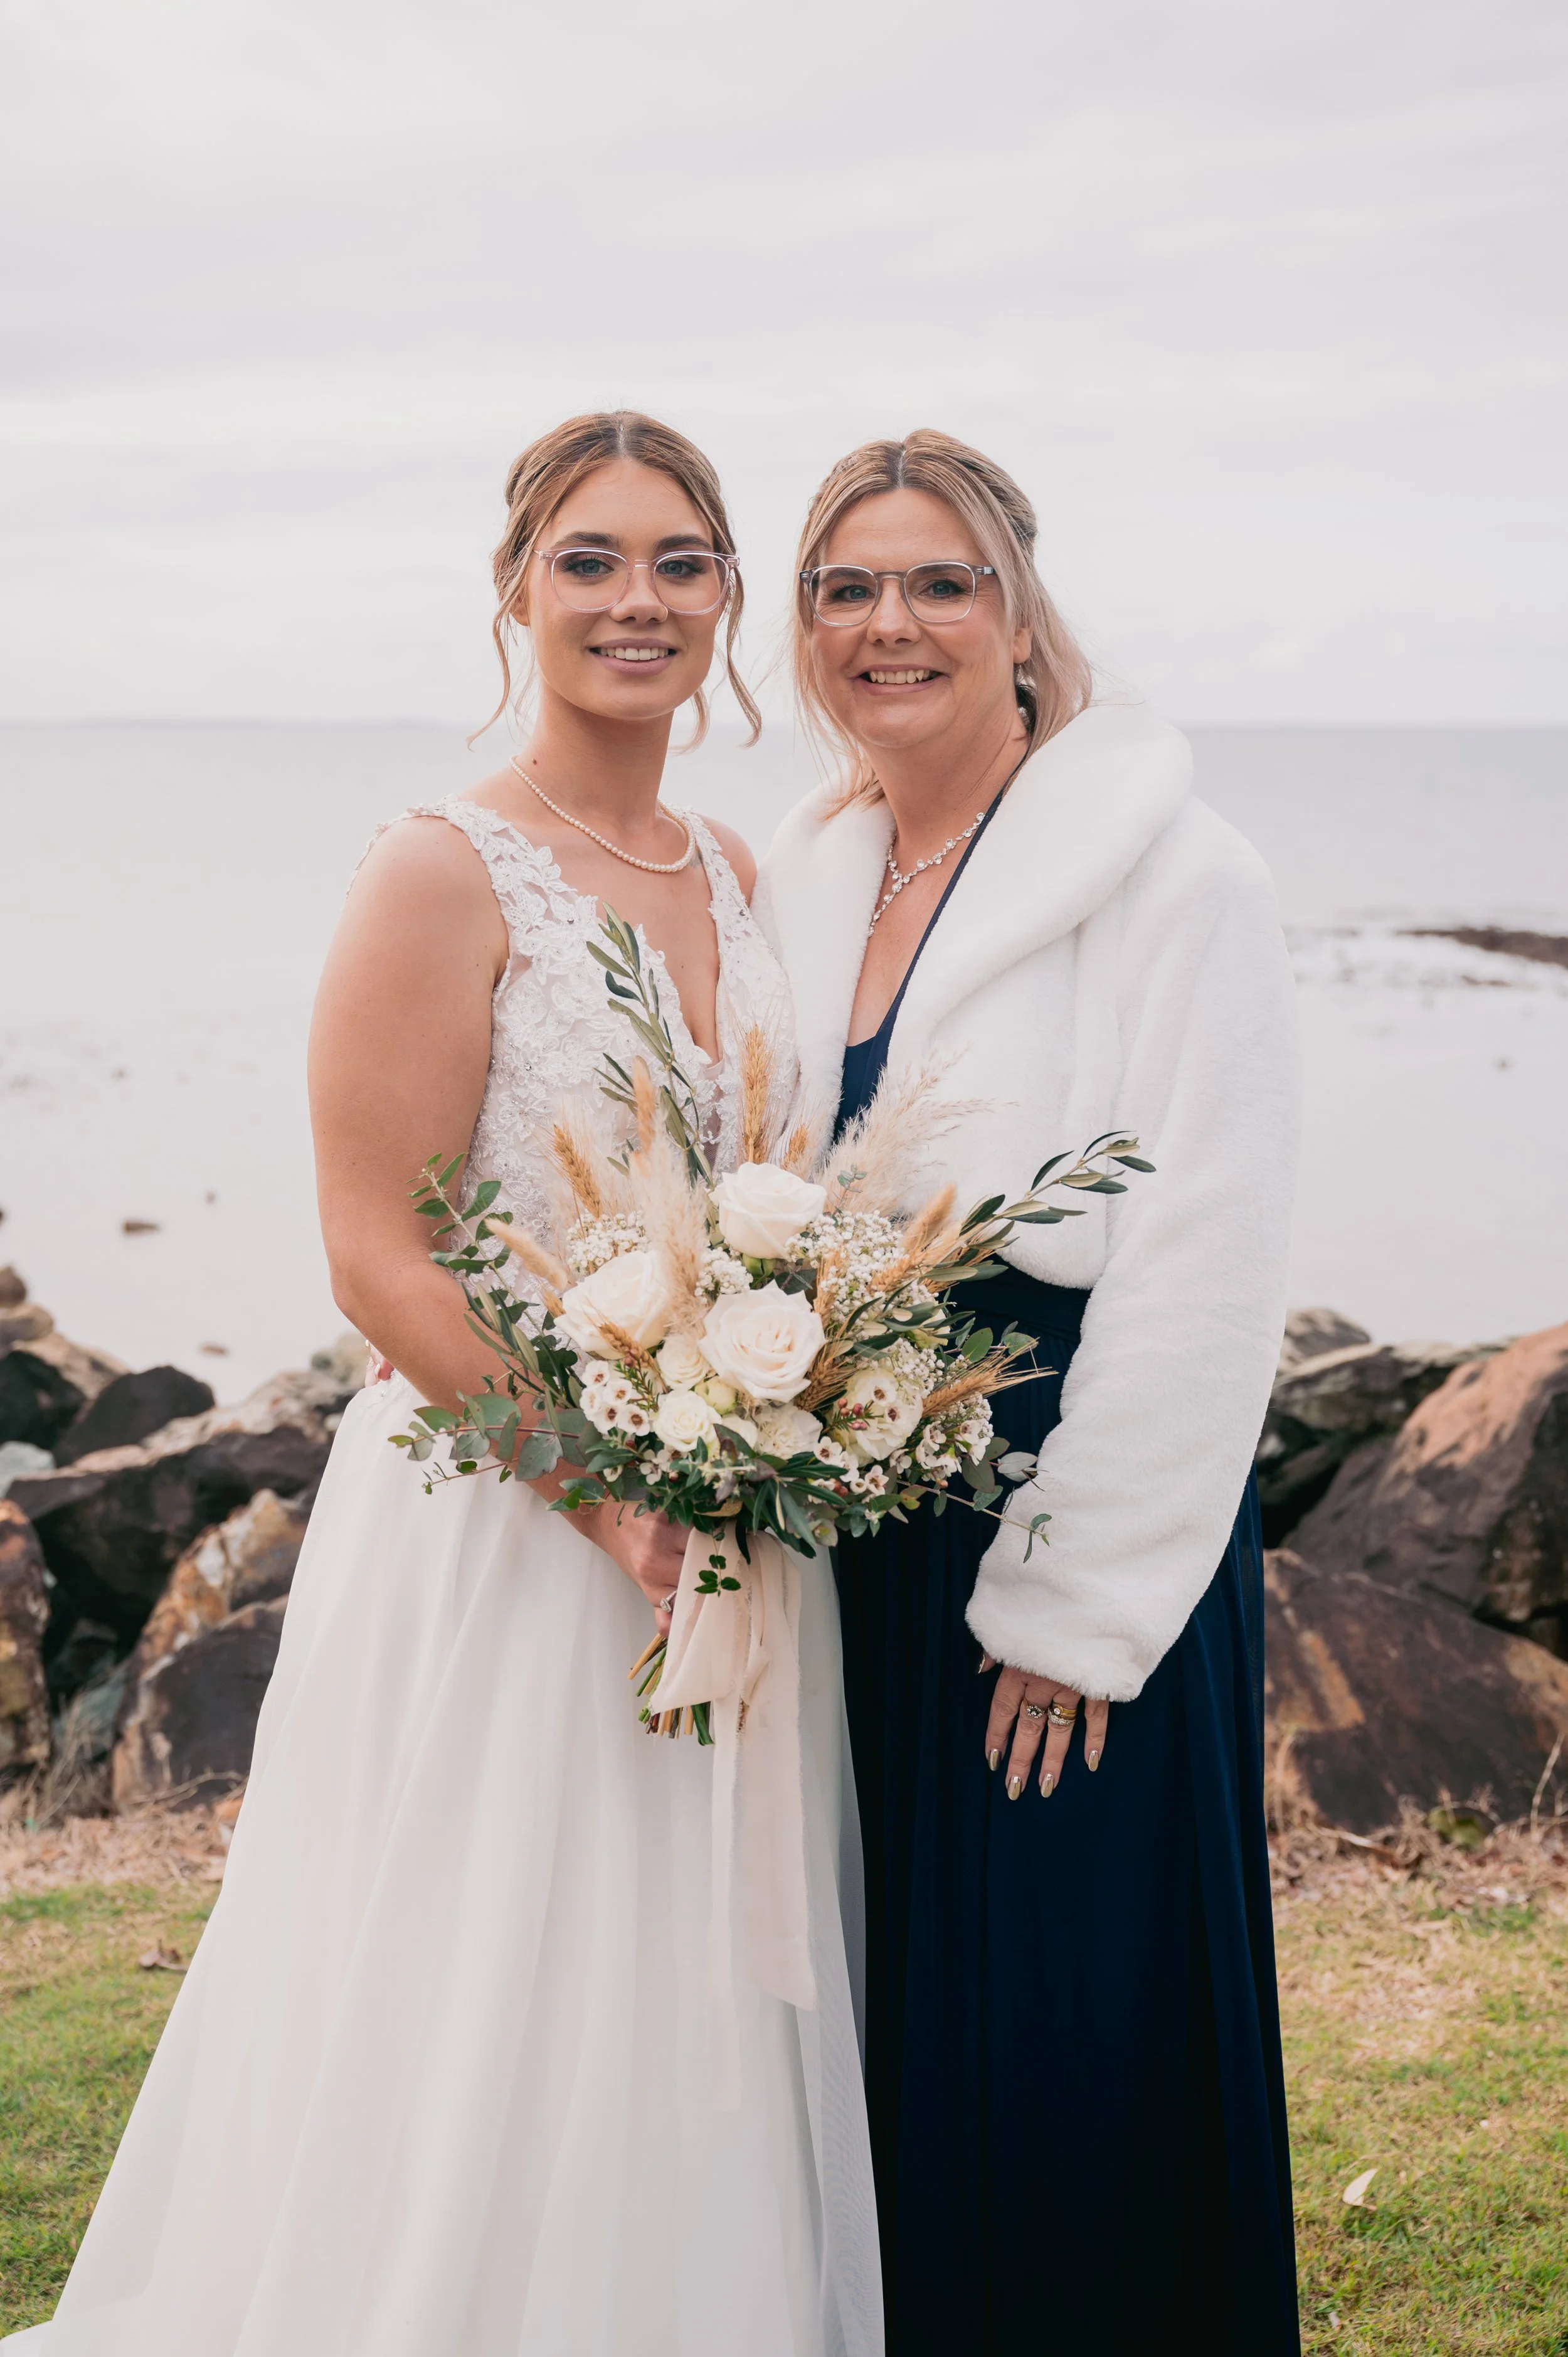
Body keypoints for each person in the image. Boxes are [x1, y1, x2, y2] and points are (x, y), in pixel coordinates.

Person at [9, 412, 880, 2357]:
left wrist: (757, 1421)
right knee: (484, 1964)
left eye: (679, 559)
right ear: (513, 590)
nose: (635, 598)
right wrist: (603, 1489)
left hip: (720, 1506)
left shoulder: (737, 867)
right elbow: (375, 1247)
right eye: (588, 558)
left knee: (685, 1989)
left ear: (730, 600)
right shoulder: (439, 866)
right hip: (507, 1521)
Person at [754, 429, 1301, 2356]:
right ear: (806, 628)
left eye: (936, 584)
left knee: (1074, 2005)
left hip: (1074, 1502)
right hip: (868, 1513)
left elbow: (1206, 1252)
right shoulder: (814, 875)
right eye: (845, 588)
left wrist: (1079, 1599)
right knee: (904, 2002)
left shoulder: (1172, 870)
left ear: (1016, 611)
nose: (887, 625)